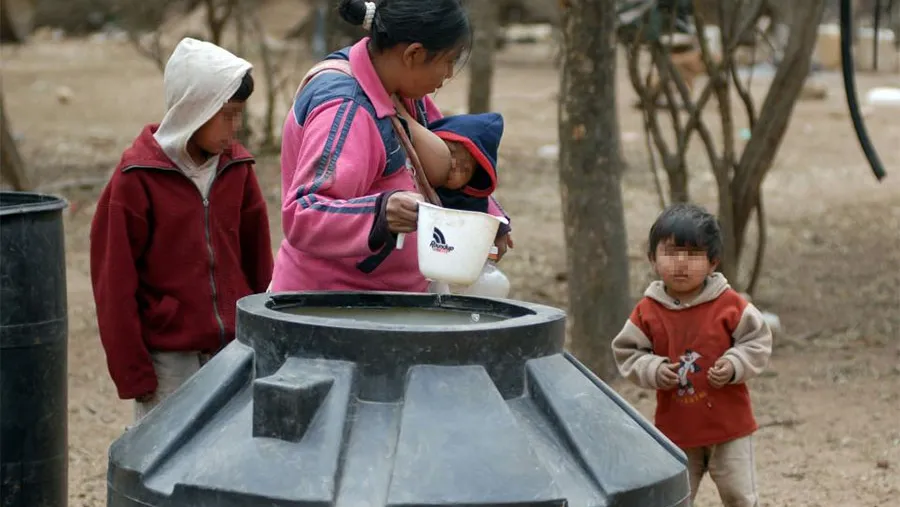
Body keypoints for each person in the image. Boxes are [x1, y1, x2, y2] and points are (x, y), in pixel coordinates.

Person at [90, 37, 274, 422]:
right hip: (169, 362)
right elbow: (114, 283)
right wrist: (134, 373)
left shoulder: (237, 169)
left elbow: (259, 263)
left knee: (229, 456)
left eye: (239, 114)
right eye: (227, 114)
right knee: (164, 465)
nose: (235, 127)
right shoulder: (136, 178)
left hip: (235, 350)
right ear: (195, 107)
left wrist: (265, 336)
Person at [270, 0, 512, 292]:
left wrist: (486, 217)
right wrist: (381, 212)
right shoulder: (346, 108)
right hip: (332, 308)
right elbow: (303, 215)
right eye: (449, 61)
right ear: (414, 54)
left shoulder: (401, 91)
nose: (448, 74)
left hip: (388, 299)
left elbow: (446, 160)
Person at [611, 203, 773, 507]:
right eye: (671, 253)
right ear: (653, 260)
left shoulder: (730, 304)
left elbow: (758, 341)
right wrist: (654, 369)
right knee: (674, 498)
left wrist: (735, 364)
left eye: (694, 255)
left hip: (730, 427)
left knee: (740, 495)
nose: (681, 263)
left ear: (713, 263)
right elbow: (627, 352)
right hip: (677, 429)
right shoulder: (648, 311)